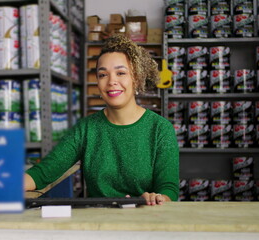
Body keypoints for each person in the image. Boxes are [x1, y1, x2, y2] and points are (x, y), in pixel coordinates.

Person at [25, 34, 179, 206]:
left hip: (145, 220)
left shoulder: (160, 128)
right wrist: (0, 186)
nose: (112, 81)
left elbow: (168, 188)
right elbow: (45, 172)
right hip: (98, 222)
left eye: (121, 73)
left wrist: (157, 198)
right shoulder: (87, 128)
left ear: (136, 78)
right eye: (103, 75)